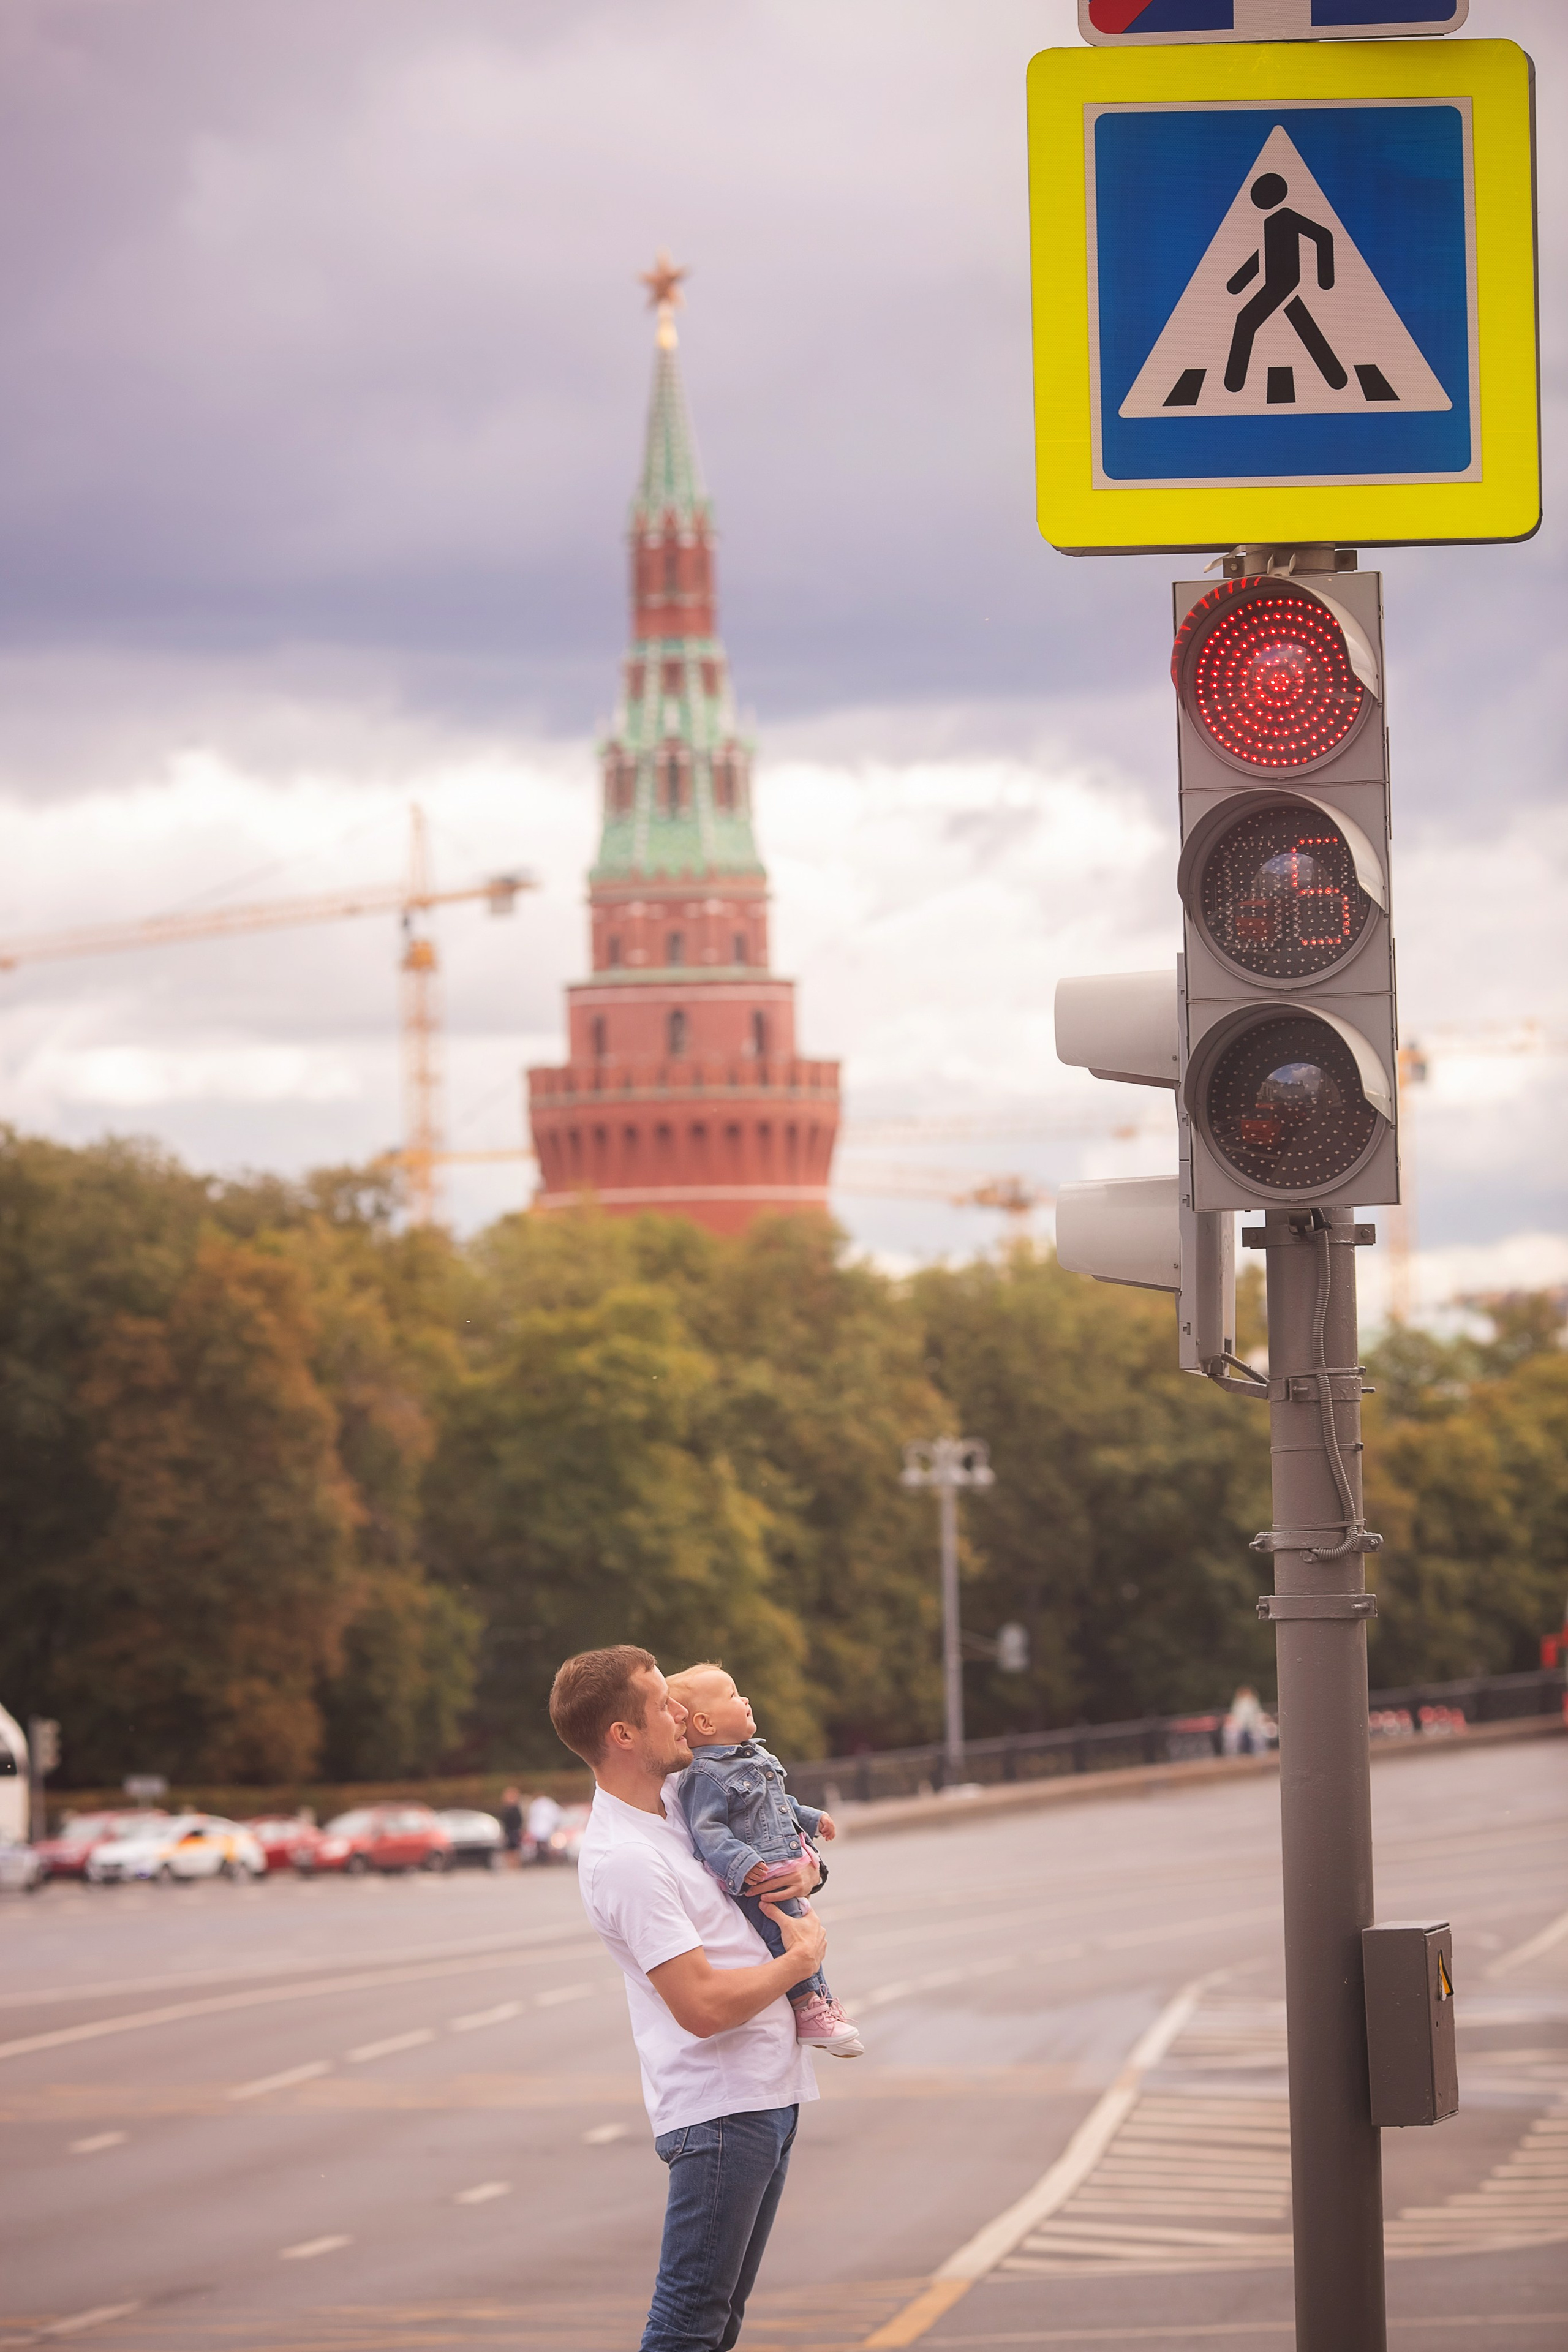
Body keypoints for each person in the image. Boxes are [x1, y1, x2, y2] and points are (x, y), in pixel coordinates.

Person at [550, 1644, 827, 2352]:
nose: (682, 1713)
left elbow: (771, 1829)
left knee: (718, 2323)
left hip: (763, 2095)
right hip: (721, 2109)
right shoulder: (626, 1860)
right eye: (662, 1705)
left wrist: (808, 1872)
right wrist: (801, 1960)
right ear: (623, 1734)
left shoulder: (675, 1799)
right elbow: (699, 2007)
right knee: (689, 2326)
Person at [666, 1662, 860, 2056]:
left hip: (782, 1864)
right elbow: (708, 1829)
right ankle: (809, 2008)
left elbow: (780, 1805)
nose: (745, 1700)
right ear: (704, 1723)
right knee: (783, 1935)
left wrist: (812, 1819)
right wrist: (741, 1863)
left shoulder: (753, 1756)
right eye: (733, 1695)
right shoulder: (703, 1775)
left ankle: (821, 2002)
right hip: (757, 1877)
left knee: (800, 1929)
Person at [526, 1788, 562, 1862]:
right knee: (544, 1844)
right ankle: (544, 1858)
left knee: (541, 1844)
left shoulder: (536, 1804)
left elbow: (532, 1817)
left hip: (540, 1828)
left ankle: (542, 1858)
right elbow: (557, 1814)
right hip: (545, 1828)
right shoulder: (548, 1803)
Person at [499, 1785, 524, 1867]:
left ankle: (514, 1865)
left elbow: (517, 1822)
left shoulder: (514, 1809)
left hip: (513, 1832)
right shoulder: (509, 1809)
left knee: (513, 1850)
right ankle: (511, 1865)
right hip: (511, 1832)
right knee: (510, 1850)